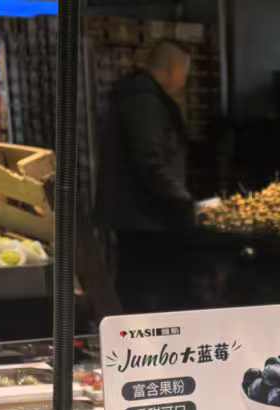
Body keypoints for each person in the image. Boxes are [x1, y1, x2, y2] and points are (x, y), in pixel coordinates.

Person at [98, 38, 197, 312]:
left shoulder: (137, 95)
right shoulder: (144, 101)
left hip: (138, 215)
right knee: (146, 291)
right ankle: (141, 338)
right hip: (145, 217)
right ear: (172, 69)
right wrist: (183, 199)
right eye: (185, 73)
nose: (184, 81)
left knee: (138, 285)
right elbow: (149, 160)